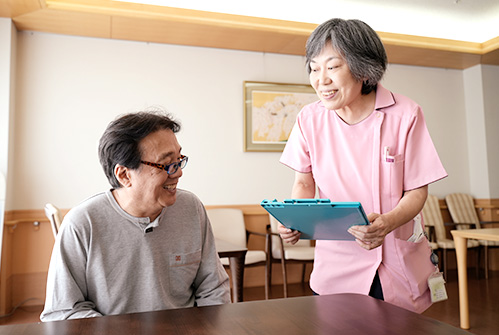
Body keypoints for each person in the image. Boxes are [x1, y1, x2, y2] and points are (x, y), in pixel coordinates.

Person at [278, 18, 447, 313]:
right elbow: (304, 183)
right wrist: (297, 221)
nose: (321, 79)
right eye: (314, 68)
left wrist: (387, 223)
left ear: (363, 68)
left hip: (394, 260)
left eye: (332, 67)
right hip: (336, 262)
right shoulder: (309, 119)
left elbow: (417, 192)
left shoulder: (406, 114)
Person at [41, 111, 230, 321]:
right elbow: (63, 310)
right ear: (124, 175)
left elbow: (213, 288)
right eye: (167, 164)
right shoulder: (82, 224)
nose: (178, 173)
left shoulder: (191, 208)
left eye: (179, 159)